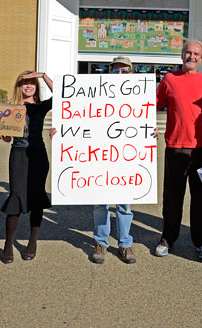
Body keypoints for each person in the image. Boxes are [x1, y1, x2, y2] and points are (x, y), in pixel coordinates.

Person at [155, 39, 202, 260]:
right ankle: (167, 238)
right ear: (182, 55)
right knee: (173, 196)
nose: (191, 57)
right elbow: (152, 104)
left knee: (201, 199)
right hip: (176, 148)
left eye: (196, 54)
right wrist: (147, 125)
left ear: (201, 59)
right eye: (188, 53)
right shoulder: (169, 80)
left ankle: (201, 241)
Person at [0, 71, 53, 263]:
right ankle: (8, 243)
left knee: (37, 198)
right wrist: (1, 135)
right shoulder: (9, 109)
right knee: (16, 196)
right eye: (24, 83)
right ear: (19, 87)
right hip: (18, 154)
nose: (28, 86)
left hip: (38, 154)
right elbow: (7, 137)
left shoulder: (40, 107)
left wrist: (44, 76)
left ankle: (32, 241)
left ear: (36, 87)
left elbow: (63, 96)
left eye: (32, 83)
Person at [90, 56, 137, 265]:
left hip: (126, 156)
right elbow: (80, 117)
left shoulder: (138, 97)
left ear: (131, 74)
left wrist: (151, 131)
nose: (120, 74)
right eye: (116, 70)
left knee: (124, 205)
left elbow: (143, 121)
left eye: (125, 71)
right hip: (101, 155)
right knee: (101, 203)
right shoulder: (95, 95)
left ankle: (125, 244)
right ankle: (101, 242)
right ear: (108, 72)